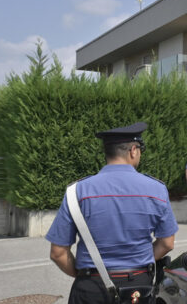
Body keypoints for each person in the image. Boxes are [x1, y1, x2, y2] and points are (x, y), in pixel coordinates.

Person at [46, 122, 178, 304]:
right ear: (133, 150)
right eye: (140, 149)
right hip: (137, 288)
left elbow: (58, 253)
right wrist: (140, 260)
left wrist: (87, 275)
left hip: (90, 287)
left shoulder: (77, 191)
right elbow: (167, 243)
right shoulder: (156, 190)